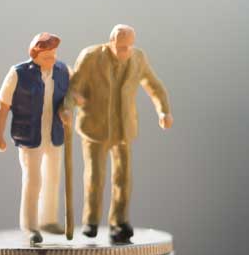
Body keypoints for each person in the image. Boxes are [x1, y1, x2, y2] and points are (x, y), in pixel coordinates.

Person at [63, 24, 173, 242]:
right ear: (111, 42)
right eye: (122, 47)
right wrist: (68, 106)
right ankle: (91, 221)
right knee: (95, 176)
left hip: (123, 129)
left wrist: (163, 111)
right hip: (95, 127)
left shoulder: (138, 58)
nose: (126, 51)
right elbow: (73, 88)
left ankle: (119, 221)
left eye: (130, 46)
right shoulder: (91, 57)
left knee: (123, 177)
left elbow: (154, 85)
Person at [0, 32, 70, 245]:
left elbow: (73, 94)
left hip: (54, 134)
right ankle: (30, 225)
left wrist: (71, 107)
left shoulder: (62, 71)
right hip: (29, 136)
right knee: (33, 181)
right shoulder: (18, 73)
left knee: (53, 179)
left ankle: (48, 220)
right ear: (35, 54)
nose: (52, 59)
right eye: (47, 56)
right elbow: (2, 106)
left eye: (54, 54)